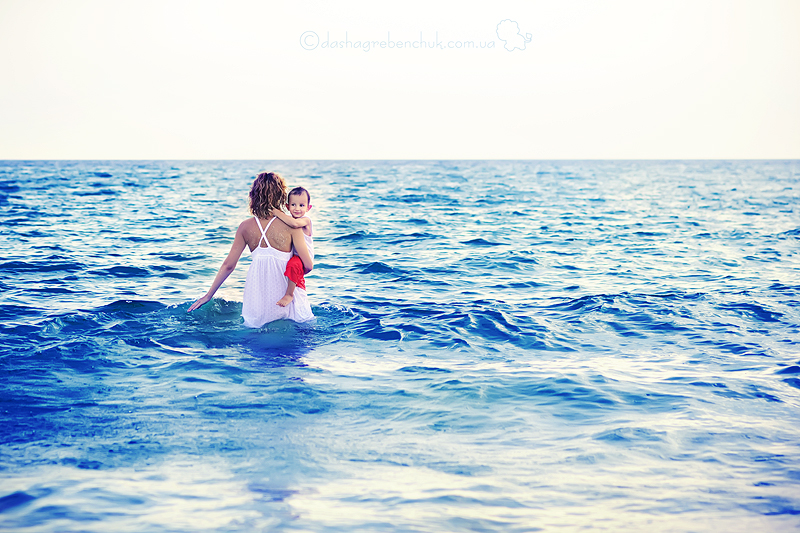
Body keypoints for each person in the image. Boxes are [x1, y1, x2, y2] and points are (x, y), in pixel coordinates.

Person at [188, 172, 314, 326]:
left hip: (257, 294)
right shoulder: (292, 226)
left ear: (254, 196)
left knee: (255, 334)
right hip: (286, 293)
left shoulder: (245, 227)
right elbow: (308, 265)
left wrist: (208, 295)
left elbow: (228, 265)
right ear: (281, 197)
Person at [270, 186, 313, 307]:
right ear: (287, 206)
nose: (297, 208)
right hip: (294, 256)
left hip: (303, 259)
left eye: (301, 205)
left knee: (293, 264)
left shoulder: (306, 220)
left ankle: (289, 294)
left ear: (308, 208)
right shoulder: (288, 220)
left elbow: (294, 224)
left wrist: (276, 212)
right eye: (293, 205)